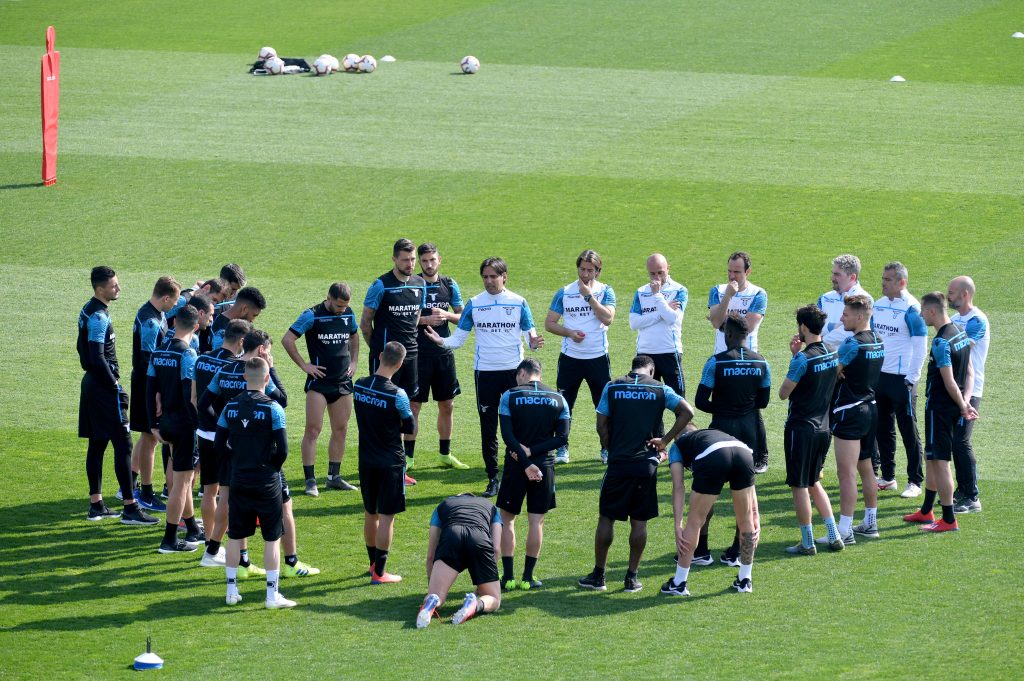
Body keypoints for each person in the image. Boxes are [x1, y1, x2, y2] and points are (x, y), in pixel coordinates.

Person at [200, 330, 319, 579]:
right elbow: (281, 400)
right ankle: (290, 562)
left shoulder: (223, 371)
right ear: (263, 350)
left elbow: (203, 403)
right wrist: (272, 369)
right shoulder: (261, 374)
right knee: (285, 506)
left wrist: (225, 429)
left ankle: (240, 563)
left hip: (232, 452)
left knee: (232, 503)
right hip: (262, 456)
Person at [423, 257, 544, 497]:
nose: (489, 281)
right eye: (485, 277)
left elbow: (531, 337)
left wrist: (534, 343)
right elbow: (459, 338)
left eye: (493, 276)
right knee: (488, 428)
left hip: (515, 374)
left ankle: (521, 470)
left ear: (504, 276)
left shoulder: (519, 302)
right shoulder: (475, 304)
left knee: (520, 426)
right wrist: (441, 341)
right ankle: (493, 478)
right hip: (485, 373)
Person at [578, 355, 694, 593]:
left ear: (632, 369)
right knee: (639, 522)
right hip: (646, 465)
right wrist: (665, 440)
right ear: (650, 371)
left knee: (606, 517)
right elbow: (687, 412)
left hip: (618, 463)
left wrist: (612, 448)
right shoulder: (660, 388)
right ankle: (632, 577)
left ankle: (599, 576)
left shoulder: (612, 386)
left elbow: (601, 425)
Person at [78, 266, 157, 525]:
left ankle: (96, 504)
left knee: (98, 443)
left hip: (91, 383)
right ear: (100, 289)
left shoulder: (87, 310)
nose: (118, 288)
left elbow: (83, 351)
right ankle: (130, 507)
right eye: (114, 286)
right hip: (103, 387)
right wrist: (114, 385)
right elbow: (97, 355)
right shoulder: (99, 316)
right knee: (124, 443)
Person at [214, 357, 296, 608]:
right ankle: (272, 595)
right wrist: (271, 467)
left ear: (244, 378)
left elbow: (218, 444)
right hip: (266, 480)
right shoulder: (273, 408)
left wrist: (237, 461)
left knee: (235, 535)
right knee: (272, 537)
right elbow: (282, 449)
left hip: (238, 478)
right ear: (267, 378)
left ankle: (231, 592)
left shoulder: (230, 407)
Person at [693, 316, 771, 565]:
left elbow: (700, 401)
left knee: (707, 491)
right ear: (746, 335)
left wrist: (723, 408)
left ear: (728, 335)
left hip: (720, 430)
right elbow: (764, 401)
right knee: (745, 493)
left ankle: (701, 550)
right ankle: (737, 551)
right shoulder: (762, 362)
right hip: (749, 431)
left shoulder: (715, 363)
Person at [903, 293, 978, 532]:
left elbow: (949, 381)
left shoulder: (941, 341)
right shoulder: (960, 333)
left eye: (923, 311)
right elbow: (969, 373)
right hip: (953, 408)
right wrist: (965, 402)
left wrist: (962, 404)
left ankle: (947, 519)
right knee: (932, 457)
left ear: (932, 311)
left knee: (941, 462)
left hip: (940, 409)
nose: (921, 315)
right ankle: (926, 511)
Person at [496, 359, 570, 590]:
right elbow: (561, 438)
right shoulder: (559, 399)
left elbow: (507, 436)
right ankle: (528, 577)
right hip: (544, 466)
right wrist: (535, 452)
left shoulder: (510, 396)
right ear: (539, 373)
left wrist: (524, 458)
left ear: (521, 373)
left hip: (516, 464)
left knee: (507, 520)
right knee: (536, 521)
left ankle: (508, 577)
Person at [282, 282, 360, 497]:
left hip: (343, 383)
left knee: (341, 429)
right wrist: (304, 365)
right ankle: (310, 481)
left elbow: (354, 335)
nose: (342, 309)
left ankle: (334, 477)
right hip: (319, 384)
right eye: (338, 305)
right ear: (329, 298)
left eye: (345, 306)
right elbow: (287, 339)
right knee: (313, 430)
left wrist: (354, 361)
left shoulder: (349, 314)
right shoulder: (311, 315)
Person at [661, 427, 760, 596]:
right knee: (746, 521)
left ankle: (679, 583)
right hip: (744, 453)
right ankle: (745, 580)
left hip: (714, 456)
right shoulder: (710, 435)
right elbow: (751, 489)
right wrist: (756, 515)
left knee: (695, 521)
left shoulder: (677, 446)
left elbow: (678, 487)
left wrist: (678, 525)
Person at [777, 305, 844, 555]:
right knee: (814, 481)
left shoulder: (803, 359)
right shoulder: (831, 353)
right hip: (824, 428)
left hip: (801, 429)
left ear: (803, 327)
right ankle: (834, 534)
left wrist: (795, 357)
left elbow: (784, 393)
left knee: (800, 485)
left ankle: (807, 541)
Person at [361, 239, 426, 484]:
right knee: (384, 411)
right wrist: (378, 351)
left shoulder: (420, 283)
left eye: (412, 259)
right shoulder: (381, 285)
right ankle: (383, 463)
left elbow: (416, 315)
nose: (410, 264)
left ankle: (401, 466)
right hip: (386, 360)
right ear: (394, 260)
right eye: (405, 259)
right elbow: (366, 323)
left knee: (409, 408)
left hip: (411, 357)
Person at [544, 249, 615, 464]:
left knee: (603, 406)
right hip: (570, 359)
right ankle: (562, 449)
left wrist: (589, 298)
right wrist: (569, 333)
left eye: (590, 270)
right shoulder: (564, 292)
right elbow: (550, 323)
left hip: (598, 358)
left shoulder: (606, 291)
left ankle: (606, 448)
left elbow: (608, 318)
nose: (585, 274)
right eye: (582, 269)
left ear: (598, 271)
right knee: (564, 405)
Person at [354, 342, 416, 584]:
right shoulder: (397, 394)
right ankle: (380, 572)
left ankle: (372, 564)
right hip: (390, 461)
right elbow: (410, 427)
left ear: (380, 356)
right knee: (387, 516)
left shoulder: (359, 385)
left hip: (366, 459)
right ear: (400, 364)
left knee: (371, 513)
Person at [194, 318, 251, 567]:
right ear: (241, 341)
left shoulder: (202, 358)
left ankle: (210, 542)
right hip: (225, 437)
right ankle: (223, 545)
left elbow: (196, 398)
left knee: (209, 490)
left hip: (203, 432)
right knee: (228, 493)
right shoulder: (233, 367)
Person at [147, 304, 203, 553]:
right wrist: (198, 425)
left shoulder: (158, 351)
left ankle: (192, 527)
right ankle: (169, 540)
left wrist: (152, 424)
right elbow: (188, 394)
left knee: (182, 477)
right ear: (197, 326)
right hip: (183, 426)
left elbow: (149, 389)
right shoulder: (188, 354)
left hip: (166, 424)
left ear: (173, 323)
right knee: (181, 484)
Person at [830, 295, 884, 544]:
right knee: (866, 468)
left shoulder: (852, 344)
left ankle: (845, 530)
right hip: (871, 409)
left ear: (860, 317)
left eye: (846, 315)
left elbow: (832, 372)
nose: (842, 318)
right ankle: (870, 523)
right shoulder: (878, 341)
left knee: (846, 474)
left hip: (850, 411)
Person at [411, 243, 469, 470]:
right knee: (414, 406)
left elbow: (463, 317)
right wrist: (425, 321)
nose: (428, 264)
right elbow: (402, 318)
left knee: (447, 404)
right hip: (418, 354)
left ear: (439, 260)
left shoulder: (450, 284)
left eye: (432, 260)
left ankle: (445, 454)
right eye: (424, 261)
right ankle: (409, 457)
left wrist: (446, 315)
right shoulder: (412, 284)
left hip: (444, 353)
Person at [872, 262, 928, 499]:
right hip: (880, 377)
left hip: (903, 379)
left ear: (901, 282)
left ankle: (915, 480)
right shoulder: (879, 304)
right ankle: (888, 476)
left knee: (908, 430)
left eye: (887, 280)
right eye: (883, 279)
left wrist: (912, 378)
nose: (883, 283)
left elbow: (921, 347)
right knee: (882, 428)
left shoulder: (912, 309)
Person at [129, 276, 182, 512]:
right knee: (150, 437)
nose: (174, 306)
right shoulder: (150, 321)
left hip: (146, 384)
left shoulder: (154, 313)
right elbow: (147, 361)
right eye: (174, 301)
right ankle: (146, 492)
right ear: (165, 297)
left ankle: (131, 484)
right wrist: (158, 392)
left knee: (145, 435)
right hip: (146, 385)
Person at [416, 494, 503, 628]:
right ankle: (475, 604)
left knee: (436, 594)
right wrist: (481, 586)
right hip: (479, 539)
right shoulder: (490, 506)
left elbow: (431, 555)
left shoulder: (443, 505)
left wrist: (432, 584)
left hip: (452, 537)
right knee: (494, 598)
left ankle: (431, 602)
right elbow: (496, 549)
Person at [948, 276, 989, 514]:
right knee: (954, 442)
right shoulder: (954, 320)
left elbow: (962, 348)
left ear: (965, 294)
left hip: (971, 390)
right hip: (954, 388)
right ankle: (960, 492)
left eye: (952, 292)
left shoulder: (977, 320)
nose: (948, 295)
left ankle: (972, 496)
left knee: (961, 441)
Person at [628, 253, 688, 400]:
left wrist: (657, 296)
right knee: (646, 402)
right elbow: (634, 323)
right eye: (652, 273)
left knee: (679, 401)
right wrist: (661, 311)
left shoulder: (679, 290)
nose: (657, 278)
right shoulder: (641, 292)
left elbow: (672, 318)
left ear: (668, 268)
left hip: (670, 352)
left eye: (660, 272)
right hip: (644, 354)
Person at [707, 251, 767, 354]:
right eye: (729, 271)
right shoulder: (717, 291)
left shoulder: (758, 294)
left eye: (737, 272)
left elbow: (747, 328)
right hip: (721, 356)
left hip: (748, 358)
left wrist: (721, 319)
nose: (732, 276)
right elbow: (716, 323)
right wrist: (727, 296)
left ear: (747, 272)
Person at [818, 254, 874, 349]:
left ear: (852, 277)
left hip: (850, 361)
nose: (832, 278)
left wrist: (821, 340)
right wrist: (833, 326)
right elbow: (815, 326)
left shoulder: (865, 300)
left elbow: (852, 332)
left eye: (837, 274)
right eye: (833, 273)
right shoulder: (825, 298)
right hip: (825, 360)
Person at [210, 287, 266, 351]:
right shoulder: (221, 330)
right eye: (254, 315)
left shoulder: (217, 321)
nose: (253, 320)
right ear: (244, 309)